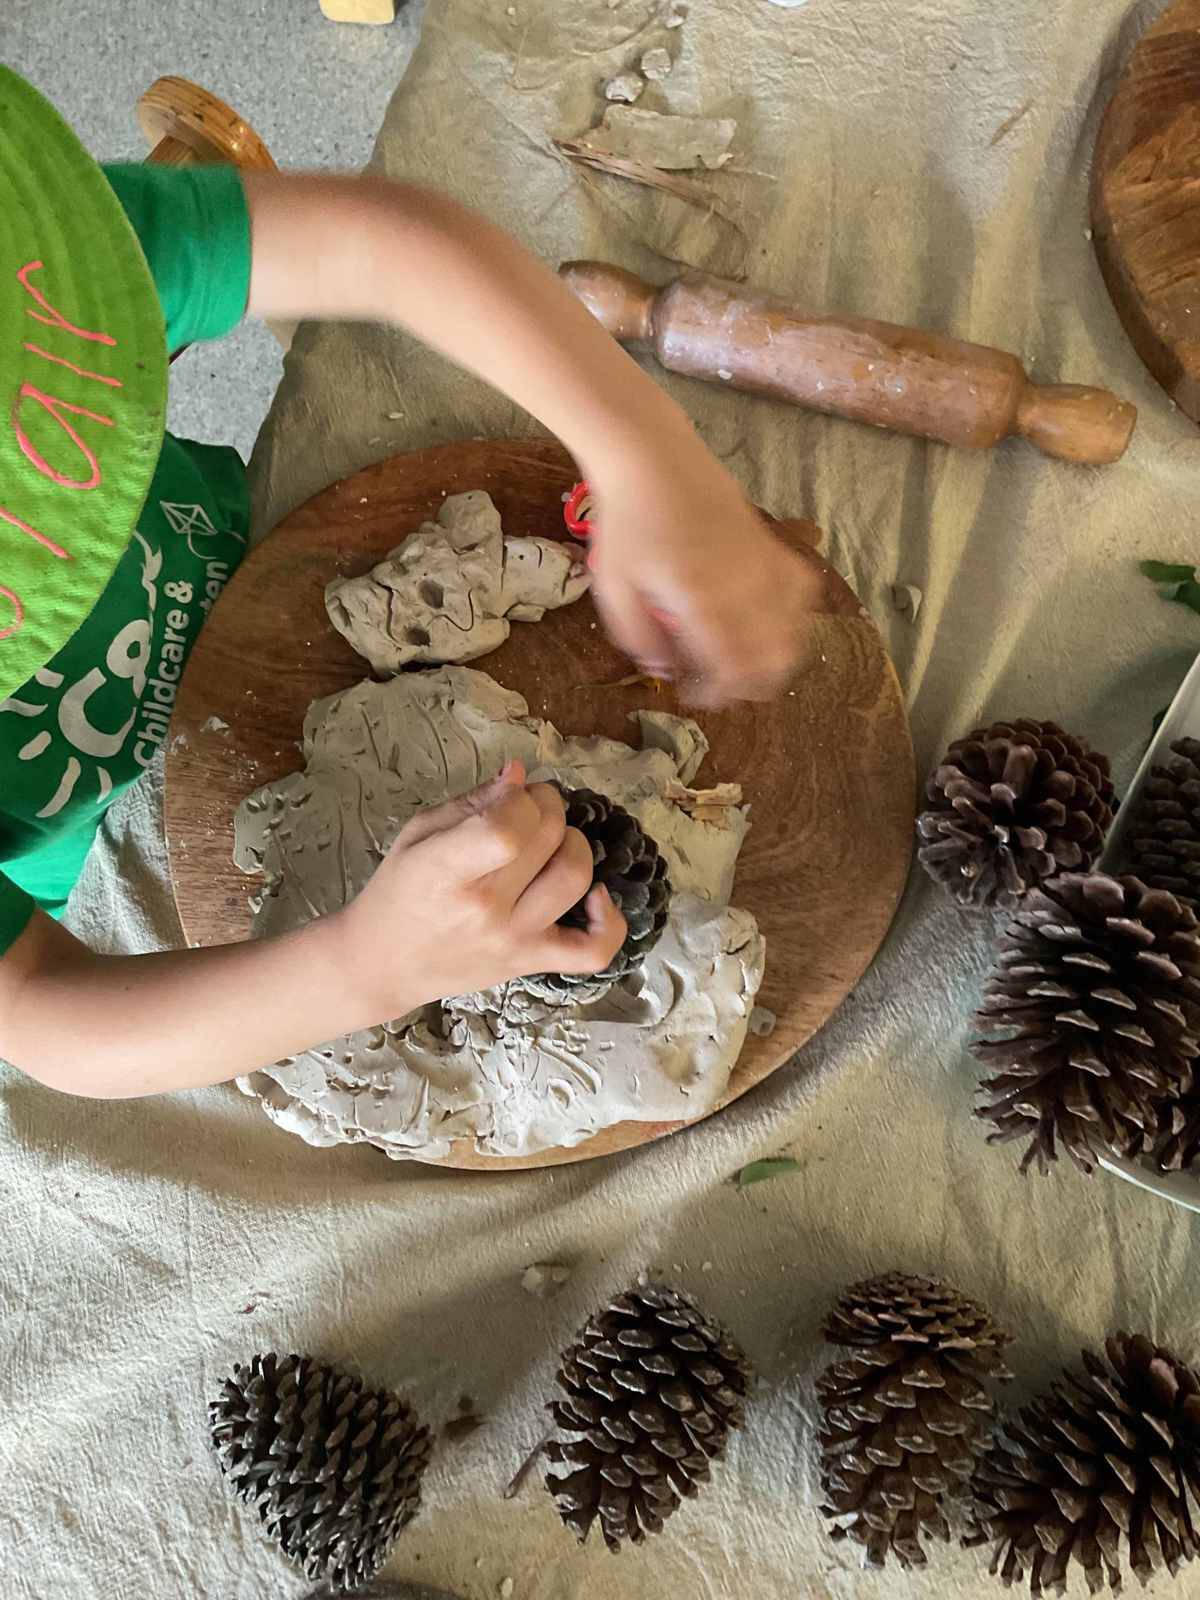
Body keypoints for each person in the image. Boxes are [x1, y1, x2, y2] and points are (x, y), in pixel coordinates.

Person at [0, 69, 816, 1098]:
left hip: (258, 562)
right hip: (123, 842)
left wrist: (643, 447)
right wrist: (366, 965)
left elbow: (374, 243)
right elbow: (43, 1016)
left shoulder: (29, 265)